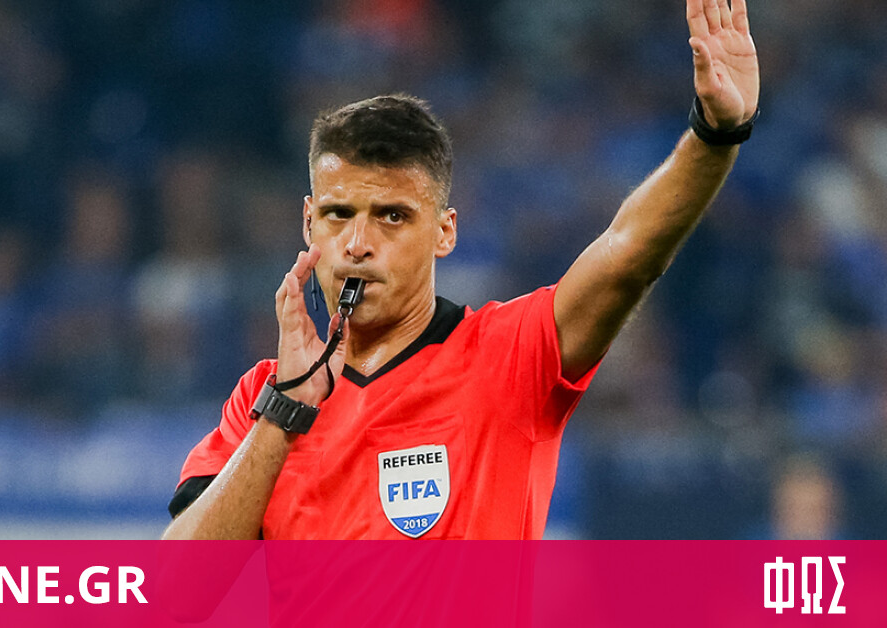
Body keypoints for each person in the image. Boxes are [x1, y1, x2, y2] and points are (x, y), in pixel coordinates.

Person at [163, 0, 761, 540]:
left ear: (445, 232)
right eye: (338, 214)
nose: (358, 244)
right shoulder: (262, 397)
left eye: (392, 216)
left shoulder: (506, 359)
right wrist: (284, 414)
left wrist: (714, 135)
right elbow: (177, 596)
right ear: (308, 223)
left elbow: (627, 253)